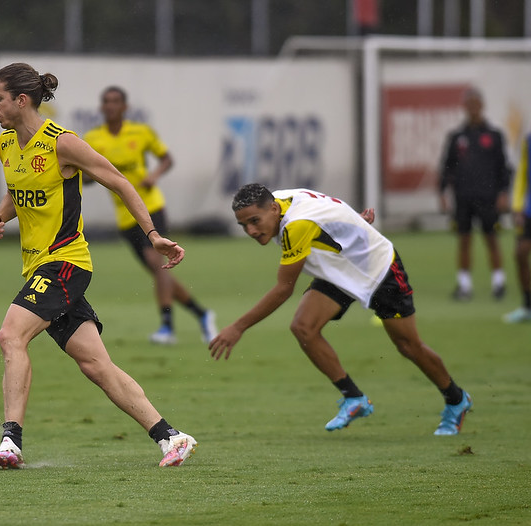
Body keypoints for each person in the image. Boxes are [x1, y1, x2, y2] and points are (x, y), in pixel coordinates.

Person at [0, 63, 197, 468]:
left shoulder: (62, 143)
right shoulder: (6, 144)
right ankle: (172, 437)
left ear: (21, 100)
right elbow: (17, 192)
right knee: (96, 365)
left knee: (10, 335)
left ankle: (10, 441)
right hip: (37, 267)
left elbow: (120, 181)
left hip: (66, 262)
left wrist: (153, 236)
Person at [208, 184, 472, 436]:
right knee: (303, 328)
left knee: (408, 346)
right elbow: (327, 208)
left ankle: (456, 399)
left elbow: (283, 290)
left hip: (378, 269)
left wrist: (238, 327)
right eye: (243, 225)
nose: (251, 230)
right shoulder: (279, 200)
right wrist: (353, 223)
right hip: (338, 268)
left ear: (274, 209)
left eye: (255, 221)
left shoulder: (297, 226)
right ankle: (354, 398)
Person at [83, 86, 216, 345]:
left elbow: (166, 159)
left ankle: (167, 327)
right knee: (160, 272)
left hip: (150, 208)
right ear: (101, 108)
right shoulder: (93, 138)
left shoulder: (141, 132)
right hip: (124, 217)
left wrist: (153, 176)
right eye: (106, 102)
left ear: (124, 107)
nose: (110, 106)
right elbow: (87, 175)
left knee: (158, 265)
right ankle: (202, 314)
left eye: (115, 102)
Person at [439, 87, 510, 301]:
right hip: (463, 196)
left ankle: (499, 282)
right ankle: (464, 285)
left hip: (487, 196)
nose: (473, 109)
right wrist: (442, 192)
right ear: (464, 108)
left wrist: (503, 193)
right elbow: (447, 167)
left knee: (491, 238)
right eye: (469, 105)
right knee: (464, 239)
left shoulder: (494, 136)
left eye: (476, 104)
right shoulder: (457, 136)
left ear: (482, 106)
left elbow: (503, 167)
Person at [503, 131, 531, 323]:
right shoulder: (528, 140)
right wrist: (517, 207)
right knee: (520, 253)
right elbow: (522, 173)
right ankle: (527, 305)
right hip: (529, 210)